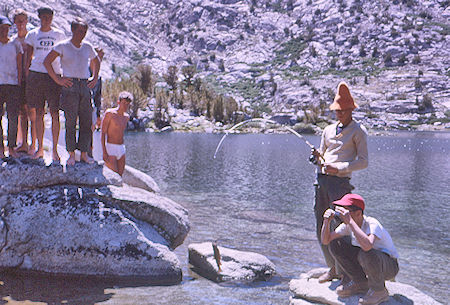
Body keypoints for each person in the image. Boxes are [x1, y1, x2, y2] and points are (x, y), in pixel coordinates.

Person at [310, 81, 368, 283]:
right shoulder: (327, 130)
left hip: (340, 186)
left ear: (351, 109)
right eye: (337, 110)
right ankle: (332, 268)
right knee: (322, 226)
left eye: (344, 110)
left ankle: (346, 271)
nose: (340, 114)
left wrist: (341, 168)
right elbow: (321, 157)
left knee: (340, 228)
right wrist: (317, 158)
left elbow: (363, 162)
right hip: (322, 182)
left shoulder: (358, 132)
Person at [321, 193, 399, 305]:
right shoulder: (347, 226)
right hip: (372, 262)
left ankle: (379, 291)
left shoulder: (372, 223)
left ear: (358, 213)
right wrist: (326, 221)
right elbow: (326, 240)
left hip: (389, 267)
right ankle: (361, 282)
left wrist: (350, 222)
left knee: (366, 252)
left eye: (345, 211)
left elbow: (368, 245)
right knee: (335, 244)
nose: (341, 214)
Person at [44, 17, 100, 166]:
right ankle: (70, 154)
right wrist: (58, 79)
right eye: (79, 30)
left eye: (84, 31)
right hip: (70, 85)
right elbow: (47, 61)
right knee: (70, 121)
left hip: (85, 85)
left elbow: (96, 61)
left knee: (86, 121)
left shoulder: (87, 47)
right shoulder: (63, 46)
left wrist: (94, 77)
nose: (82, 34)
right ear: (73, 30)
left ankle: (84, 153)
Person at [24, 7, 65, 161]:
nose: (46, 19)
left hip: (54, 76)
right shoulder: (32, 34)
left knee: (54, 113)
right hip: (36, 75)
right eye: (44, 17)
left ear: (53, 18)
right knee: (39, 112)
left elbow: (64, 54)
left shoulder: (59, 34)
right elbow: (28, 57)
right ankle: (40, 148)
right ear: (39, 17)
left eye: (49, 17)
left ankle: (54, 150)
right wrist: (27, 75)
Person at [12, 9, 36, 154]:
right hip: (17, 79)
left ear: (27, 21)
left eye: (23, 20)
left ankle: (34, 144)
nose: (21, 24)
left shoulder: (32, 37)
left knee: (33, 111)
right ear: (15, 22)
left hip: (32, 78)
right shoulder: (13, 40)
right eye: (18, 21)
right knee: (22, 111)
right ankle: (23, 143)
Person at [0, 16, 23, 158]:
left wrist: (19, 83)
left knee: (13, 116)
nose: (4, 31)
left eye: (6, 28)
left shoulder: (15, 45)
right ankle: (1, 148)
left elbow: (20, 66)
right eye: (1, 28)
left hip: (13, 84)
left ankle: (12, 147)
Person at [101, 91, 132, 176]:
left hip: (121, 149)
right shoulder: (110, 113)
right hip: (110, 148)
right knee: (114, 176)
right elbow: (103, 133)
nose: (125, 106)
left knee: (120, 176)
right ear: (118, 102)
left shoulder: (126, 117)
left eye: (127, 104)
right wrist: (104, 152)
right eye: (124, 103)